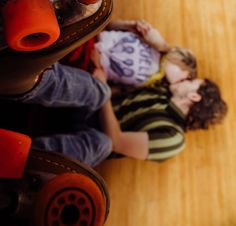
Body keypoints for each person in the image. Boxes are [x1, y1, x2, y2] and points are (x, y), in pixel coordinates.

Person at [31, 65, 227, 166]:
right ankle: (28, 80)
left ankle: (30, 159)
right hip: (87, 108)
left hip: (91, 138)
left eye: (191, 81)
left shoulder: (174, 139)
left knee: (104, 144)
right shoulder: (164, 92)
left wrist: (104, 91)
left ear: (194, 95)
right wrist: (102, 81)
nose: (186, 79)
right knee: (95, 89)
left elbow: (115, 141)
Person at [88, 19, 198, 87]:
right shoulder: (155, 40)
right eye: (185, 76)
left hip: (90, 69)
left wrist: (99, 70)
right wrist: (131, 24)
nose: (182, 81)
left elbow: (115, 89)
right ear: (180, 60)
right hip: (92, 38)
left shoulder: (152, 83)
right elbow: (110, 25)